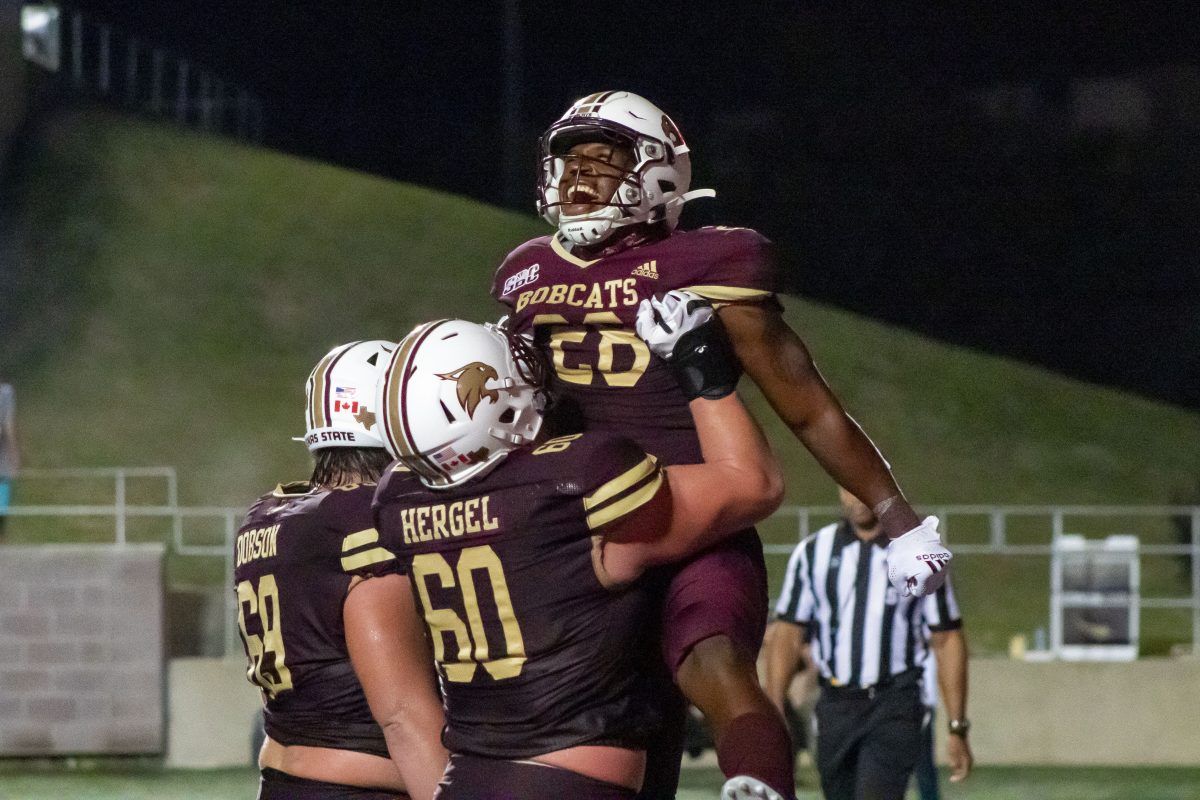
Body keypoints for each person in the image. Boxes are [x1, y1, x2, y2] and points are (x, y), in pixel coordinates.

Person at [491, 90, 953, 800]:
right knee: (609, 727)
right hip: (585, 535)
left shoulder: (709, 264)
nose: (578, 178)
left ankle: (757, 786)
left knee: (713, 664)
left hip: (695, 517)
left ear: (657, 175)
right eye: (568, 161)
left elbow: (808, 406)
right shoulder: (528, 275)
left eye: (601, 161)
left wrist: (894, 517)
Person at [359, 296, 782, 799]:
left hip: (466, 777)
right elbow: (753, 484)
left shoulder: (399, 502)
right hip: (568, 779)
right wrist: (699, 364)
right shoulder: (572, 484)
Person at [233, 341, 447, 800]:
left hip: (283, 779)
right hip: (360, 785)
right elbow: (402, 716)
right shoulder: (363, 522)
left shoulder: (269, 514)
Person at [764, 488, 973, 800]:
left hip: (895, 701)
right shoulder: (813, 552)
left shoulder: (917, 554)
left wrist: (957, 726)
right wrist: (774, 706)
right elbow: (787, 632)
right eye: (846, 488)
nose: (855, 498)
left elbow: (947, 638)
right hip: (836, 704)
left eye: (860, 486)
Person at [0, 382, 18, 541]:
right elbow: (7, 426)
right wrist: (14, 454)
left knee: (3, 485)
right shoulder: (5, 393)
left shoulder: (5, 392)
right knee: (3, 484)